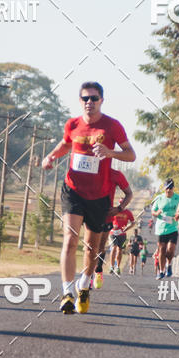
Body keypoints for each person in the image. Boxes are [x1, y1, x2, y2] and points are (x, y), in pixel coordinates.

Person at [41, 82, 136, 314]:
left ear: (102, 100)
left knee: (92, 250)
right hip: (73, 190)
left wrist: (111, 152)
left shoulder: (112, 126)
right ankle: (66, 292)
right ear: (80, 100)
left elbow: (131, 154)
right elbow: (65, 144)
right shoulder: (73, 124)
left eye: (93, 98)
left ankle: (84, 284)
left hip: (100, 196)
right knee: (70, 239)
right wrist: (51, 157)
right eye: (85, 98)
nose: (89, 102)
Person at [94, 168, 133, 289]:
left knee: (113, 249)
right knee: (109, 248)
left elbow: (133, 222)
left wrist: (125, 228)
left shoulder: (127, 212)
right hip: (109, 229)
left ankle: (109, 268)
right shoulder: (92, 171)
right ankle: (108, 267)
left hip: (118, 229)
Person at [152, 179, 179, 279]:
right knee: (162, 250)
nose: (168, 190)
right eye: (166, 188)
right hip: (161, 228)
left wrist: (178, 216)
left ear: (173, 188)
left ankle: (169, 265)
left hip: (173, 227)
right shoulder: (159, 198)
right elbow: (153, 211)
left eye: (170, 188)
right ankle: (161, 271)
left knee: (170, 250)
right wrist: (156, 213)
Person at [108, 207, 135, 274]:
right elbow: (107, 218)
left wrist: (127, 228)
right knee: (114, 248)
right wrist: (112, 225)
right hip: (113, 232)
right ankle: (111, 266)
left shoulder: (128, 212)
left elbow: (133, 222)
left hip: (122, 233)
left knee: (120, 250)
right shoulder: (114, 210)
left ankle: (117, 267)